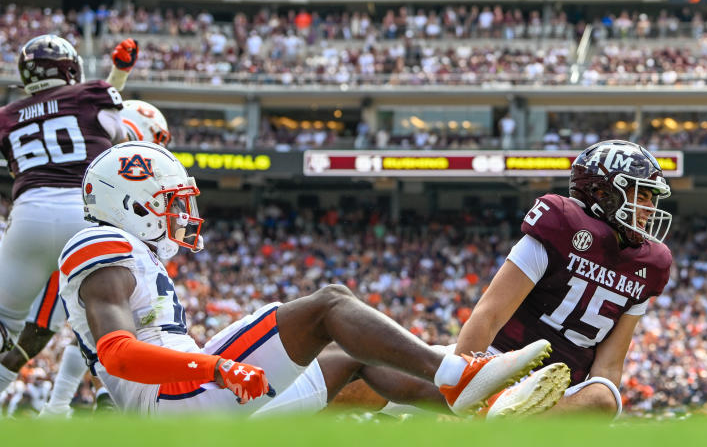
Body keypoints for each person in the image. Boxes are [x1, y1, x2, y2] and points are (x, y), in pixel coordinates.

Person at [59, 141, 562, 416]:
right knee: (329, 304)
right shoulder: (100, 246)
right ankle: (457, 374)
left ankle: (484, 412)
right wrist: (217, 370)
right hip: (173, 405)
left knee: (349, 360)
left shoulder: (129, 252)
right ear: (131, 204)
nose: (183, 215)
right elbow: (117, 353)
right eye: (171, 203)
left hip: (187, 401)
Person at [320, 139, 674, 418]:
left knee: (603, 397)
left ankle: (512, 422)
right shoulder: (561, 226)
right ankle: (296, 419)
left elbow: (609, 365)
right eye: (639, 194)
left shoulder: (650, 264)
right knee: (359, 363)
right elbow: (488, 314)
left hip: (558, 391)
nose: (648, 209)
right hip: (494, 364)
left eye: (651, 198)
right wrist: (466, 381)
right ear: (601, 192)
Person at [0, 35, 139, 398]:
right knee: (108, 320)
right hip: (85, 217)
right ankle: (120, 401)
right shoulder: (92, 94)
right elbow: (117, 145)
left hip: (28, 218)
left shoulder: (7, 116)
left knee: (7, 321)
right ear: (70, 67)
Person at [32, 100, 172, 416]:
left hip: (78, 232)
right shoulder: (119, 155)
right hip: (93, 236)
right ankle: (79, 401)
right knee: (85, 323)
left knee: (86, 326)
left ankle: (63, 406)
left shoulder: (101, 142)